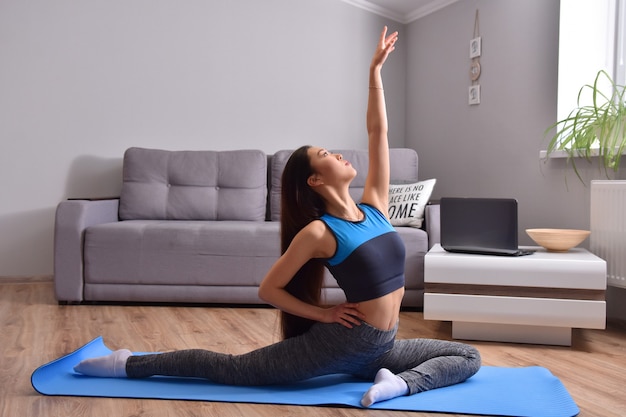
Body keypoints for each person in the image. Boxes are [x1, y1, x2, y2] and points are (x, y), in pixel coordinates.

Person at [73, 27, 481, 408]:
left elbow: (379, 134)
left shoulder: (374, 206)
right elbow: (270, 289)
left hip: (383, 346)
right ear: (316, 179)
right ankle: (126, 363)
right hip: (341, 343)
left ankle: (400, 384)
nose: (339, 154)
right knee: (232, 370)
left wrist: (374, 71)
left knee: (467, 354)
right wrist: (325, 315)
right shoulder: (320, 232)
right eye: (326, 155)